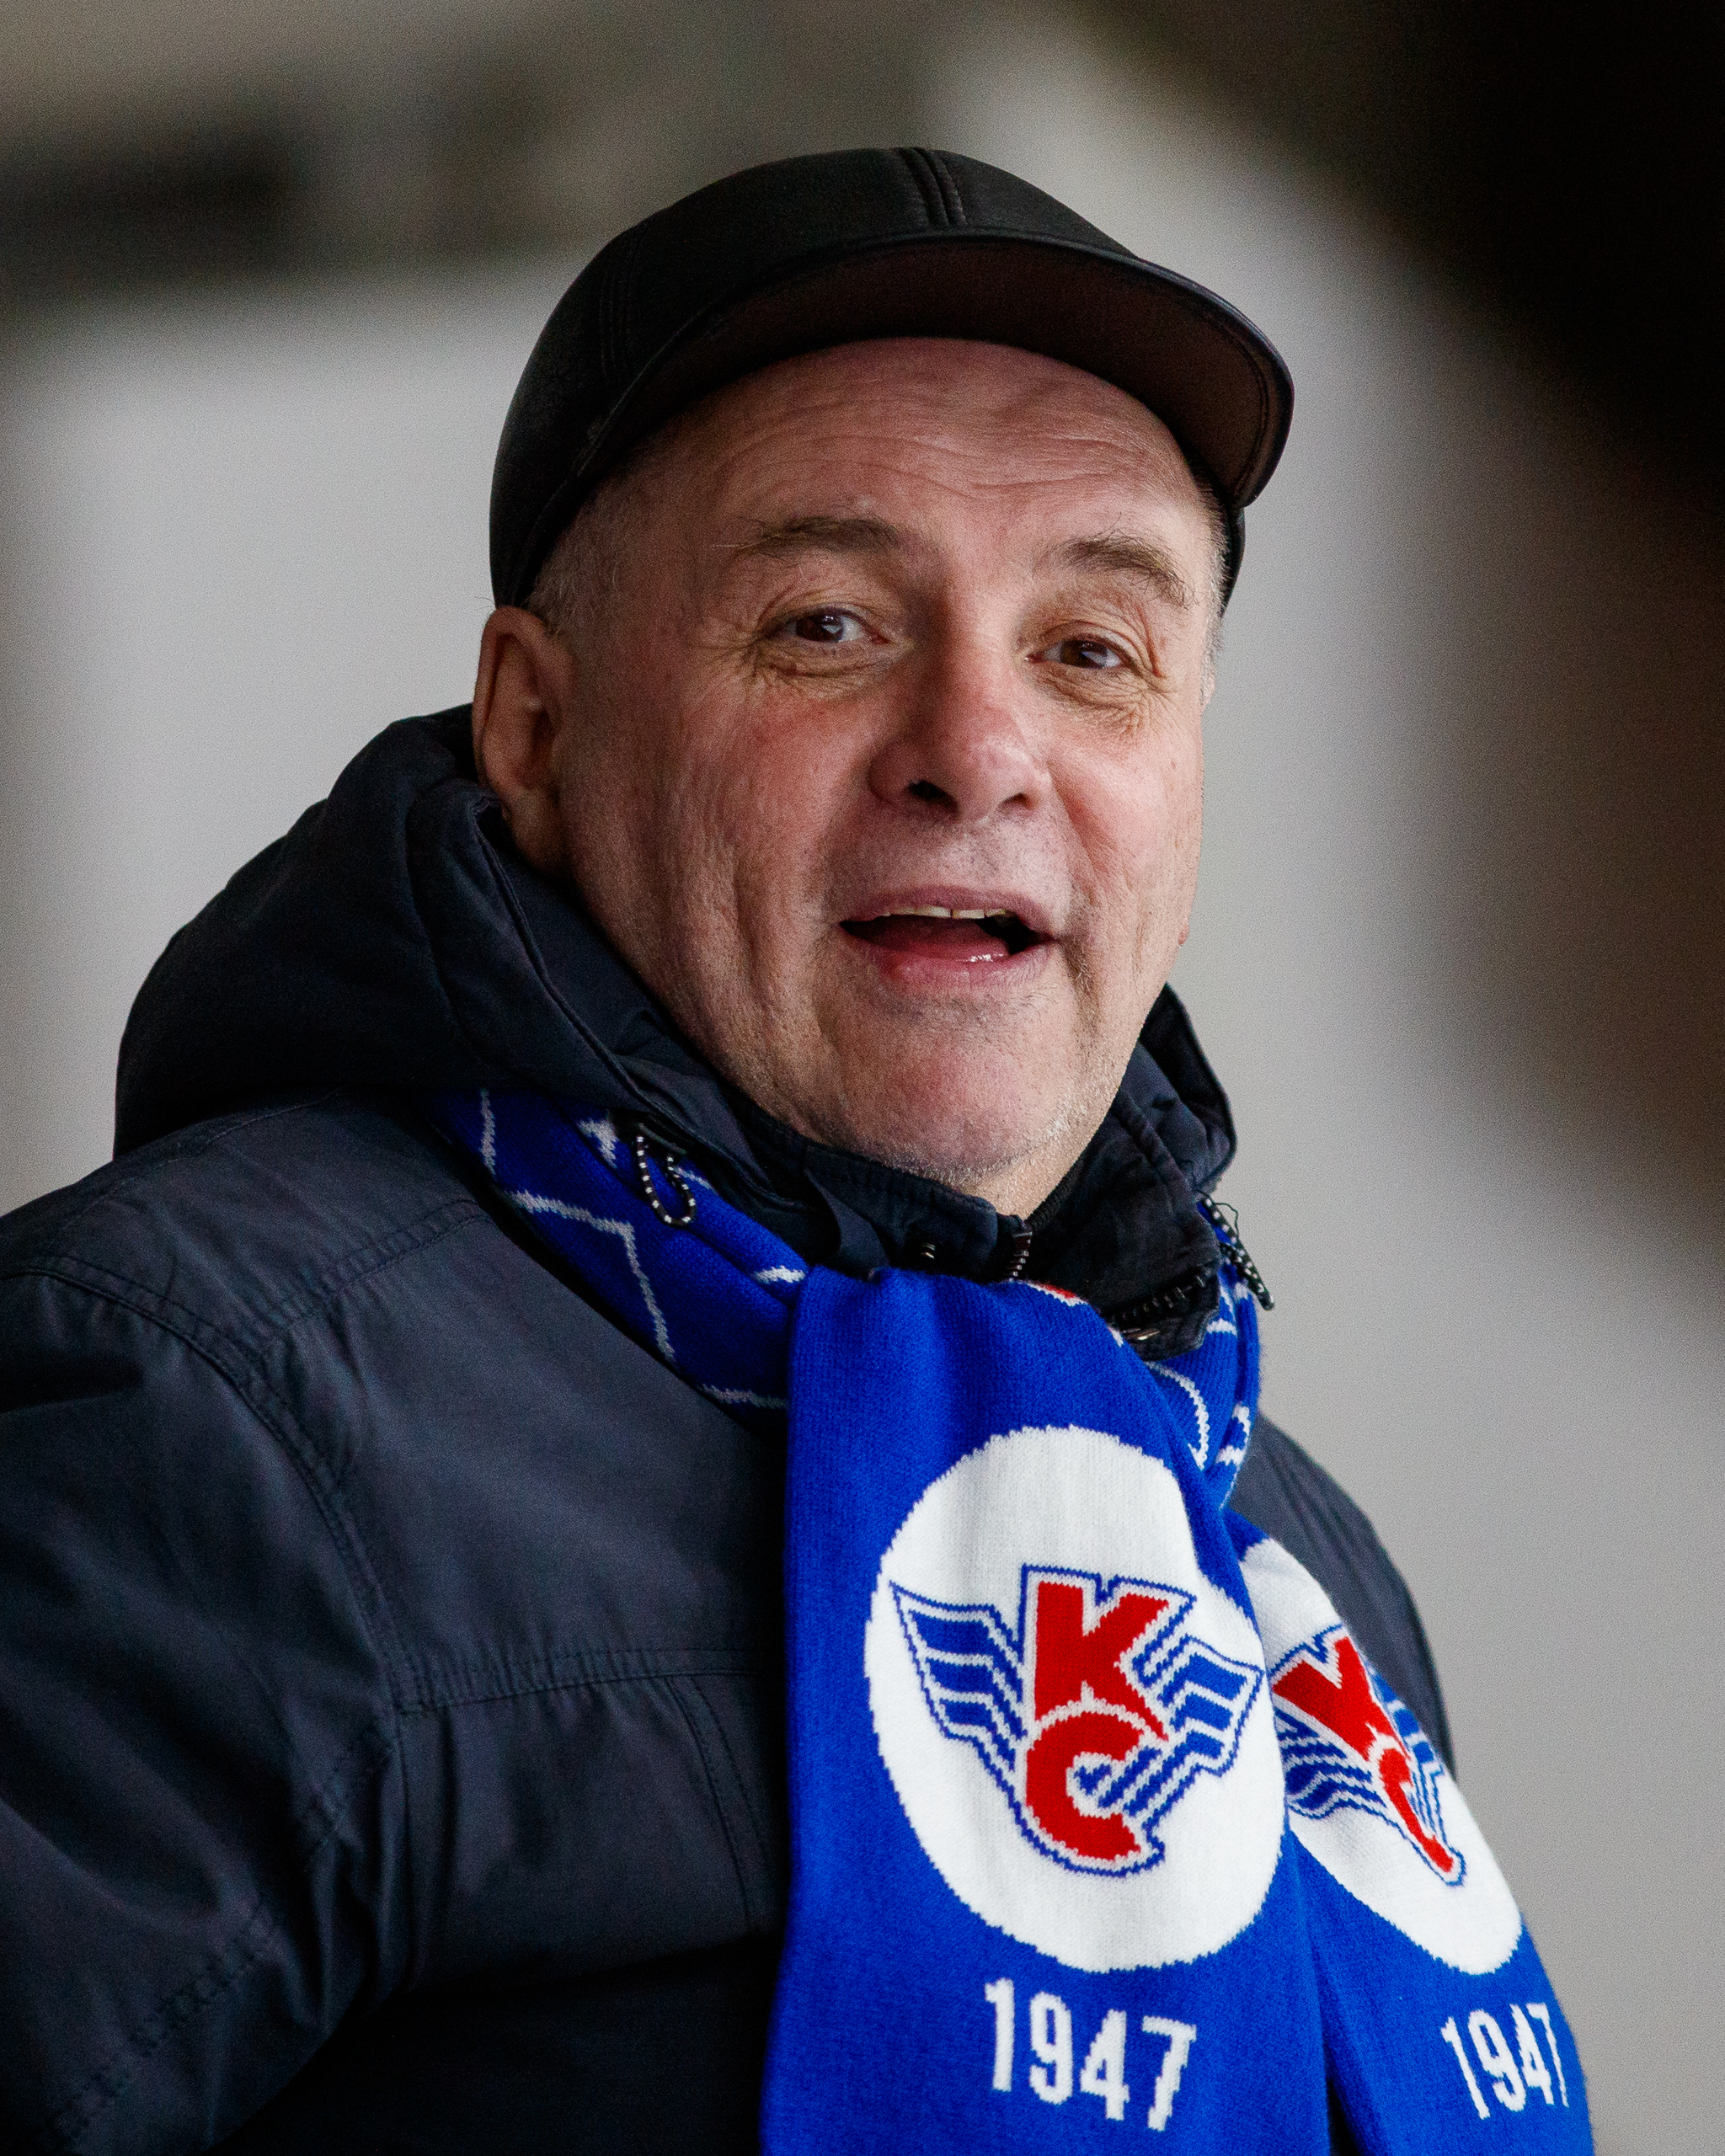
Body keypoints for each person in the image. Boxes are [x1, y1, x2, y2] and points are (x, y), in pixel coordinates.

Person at [0, 150, 1588, 2156]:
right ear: (535, 725)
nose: (976, 747)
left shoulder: (1276, 1540)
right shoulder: (198, 1405)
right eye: (827, 622)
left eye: (1094, 650)